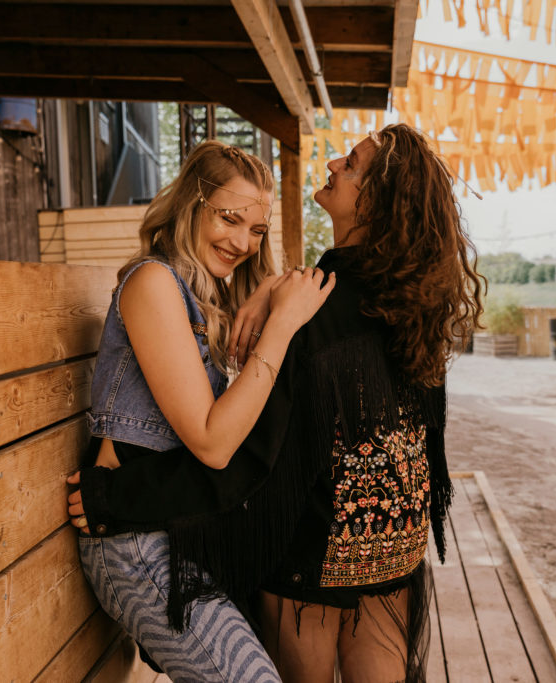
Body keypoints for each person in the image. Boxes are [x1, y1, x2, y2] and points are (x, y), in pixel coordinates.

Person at [72, 124, 483, 682]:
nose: (334, 163)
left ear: (377, 201)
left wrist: (116, 495)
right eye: (230, 218)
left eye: (353, 163)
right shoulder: (413, 307)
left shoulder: (310, 312)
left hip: (311, 554)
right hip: (393, 546)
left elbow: (256, 456)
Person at [67, 140, 335, 683]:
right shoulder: (153, 284)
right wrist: (280, 325)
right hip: (137, 545)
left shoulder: (207, 296)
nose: (241, 242)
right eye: (229, 219)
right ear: (192, 205)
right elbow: (213, 443)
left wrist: (266, 296)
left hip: (184, 534)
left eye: (255, 231)